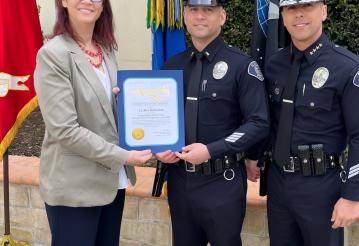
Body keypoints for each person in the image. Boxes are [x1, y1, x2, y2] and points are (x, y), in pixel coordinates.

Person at [34, 0, 152, 245]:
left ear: (102, 6)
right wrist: (123, 156)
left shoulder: (105, 50)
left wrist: (151, 134)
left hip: (111, 182)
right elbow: (64, 130)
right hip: (74, 188)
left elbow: (107, 112)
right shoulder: (53, 55)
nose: (88, 1)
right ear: (64, 2)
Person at [258, 0, 359, 245]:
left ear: (323, 11)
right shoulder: (274, 64)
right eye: (290, 8)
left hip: (322, 188)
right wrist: (254, 156)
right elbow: (270, 122)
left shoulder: (349, 69)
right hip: (279, 184)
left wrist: (352, 195)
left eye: (308, 5)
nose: (298, 13)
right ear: (283, 14)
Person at [156, 0, 270, 245]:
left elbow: (258, 123)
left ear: (222, 16)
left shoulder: (242, 66)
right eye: (193, 10)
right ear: (184, 15)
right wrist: (158, 147)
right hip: (180, 182)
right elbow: (159, 118)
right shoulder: (171, 66)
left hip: (222, 181)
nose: (200, 17)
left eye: (208, 10)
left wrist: (211, 150)